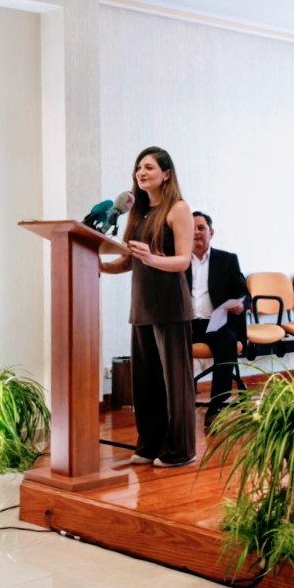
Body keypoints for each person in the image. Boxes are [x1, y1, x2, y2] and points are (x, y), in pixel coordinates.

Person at [101, 147, 198, 466]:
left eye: (149, 167)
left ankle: (180, 450)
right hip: (142, 306)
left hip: (170, 305)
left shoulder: (178, 208)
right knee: (146, 382)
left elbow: (182, 261)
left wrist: (152, 258)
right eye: (138, 168)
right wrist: (96, 266)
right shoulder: (138, 212)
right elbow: (129, 261)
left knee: (174, 383)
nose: (141, 173)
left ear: (166, 174)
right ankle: (150, 445)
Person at [187, 211, 248, 429]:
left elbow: (244, 293)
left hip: (216, 323)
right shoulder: (179, 261)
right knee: (167, 344)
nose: (196, 232)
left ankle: (215, 407)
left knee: (227, 343)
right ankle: (175, 406)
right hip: (187, 324)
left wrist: (240, 304)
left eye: (201, 228)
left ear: (211, 233)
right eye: (192, 228)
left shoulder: (227, 260)